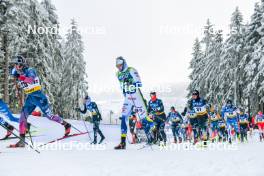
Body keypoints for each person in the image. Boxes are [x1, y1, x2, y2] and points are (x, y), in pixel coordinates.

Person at [10, 55, 71, 147]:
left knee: (50, 116)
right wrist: (17, 80)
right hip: (30, 98)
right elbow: (18, 79)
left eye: (17, 65)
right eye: (14, 65)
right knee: (22, 117)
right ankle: (22, 141)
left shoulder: (30, 70)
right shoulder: (18, 72)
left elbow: (30, 80)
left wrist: (19, 77)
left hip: (39, 97)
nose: (16, 67)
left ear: (22, 64)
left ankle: (66, 125)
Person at [114, 56, 154, 149]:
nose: (119, 67)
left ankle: (152, 137)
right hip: (128, 97)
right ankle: (123, 143)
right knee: (123, 118)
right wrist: (125, 91)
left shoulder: (131, 70)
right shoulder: (118, 74)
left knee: (144, 119)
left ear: (123, 63)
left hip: (136, 95)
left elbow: (139, 83)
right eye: (117, 66)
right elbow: (121, 86)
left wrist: (130, 84)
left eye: (120, 65)